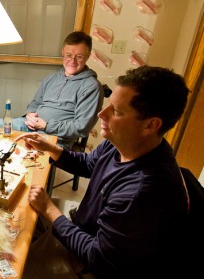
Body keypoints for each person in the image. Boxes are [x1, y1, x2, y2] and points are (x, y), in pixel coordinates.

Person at [15, 66, 191, 279]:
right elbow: (89, 164)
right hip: (86, 225)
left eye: (116, 111)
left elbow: (98, 258)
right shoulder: (121, 143)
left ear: (150, 125)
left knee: (13, 267)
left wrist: (50, 210)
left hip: (94, 265)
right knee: (21, 217)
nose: (101, 114)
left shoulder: (143, 191)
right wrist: (51, 148)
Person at [0, 31, 104, 150]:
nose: (73, 61)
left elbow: (81, 127)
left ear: (87, 56)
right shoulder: (53, 77)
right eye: (69, 55)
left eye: (79, 57)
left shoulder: (91, 86)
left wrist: (46, 126)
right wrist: (30, 115)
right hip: (29, 126)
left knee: (23, 154)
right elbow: (35, 103)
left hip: (57, 137)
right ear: (63, 53)